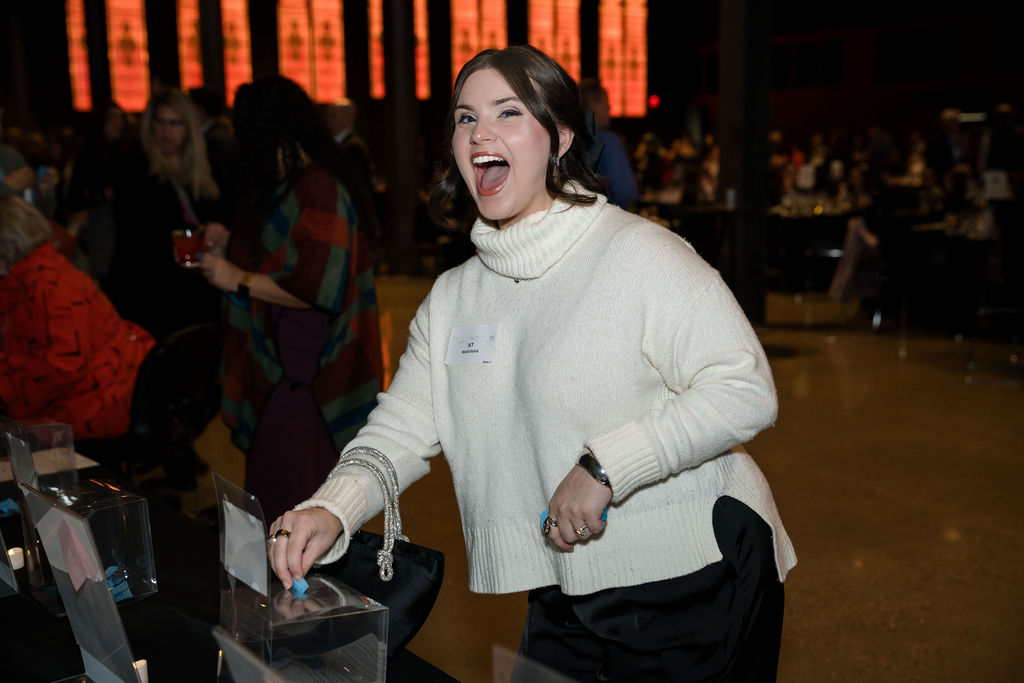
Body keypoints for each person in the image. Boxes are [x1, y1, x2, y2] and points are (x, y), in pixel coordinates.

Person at [268, 46, 796, 681]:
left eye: (508, 111)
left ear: (560, 136)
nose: (480, 132)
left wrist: (606, 465)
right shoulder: (454, 297)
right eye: (466, 118)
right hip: (561, 579)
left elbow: (745, 388)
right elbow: (402, 427)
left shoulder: (636, 254)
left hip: (691, 564)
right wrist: (334, 507)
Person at [197, 76, 383, 523]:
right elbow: (276, 261)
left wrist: (235, 276)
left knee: (295, 504)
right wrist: (230, 246)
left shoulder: (317, 187)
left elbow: (318, 288)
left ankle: (301, 593)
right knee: (275, 498)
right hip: (281, 370)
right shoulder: (286, 184)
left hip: (309, 380)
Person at [0, 195, 154, 439]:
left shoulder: (47, 287)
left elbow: (61, 369)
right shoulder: (38, 269)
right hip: (105, 386)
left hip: (95, 404)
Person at [107, 88, 222, 340]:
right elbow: (134, 230)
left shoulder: (205, 163)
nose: (166, 131)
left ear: (187, 127)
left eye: (174, 123)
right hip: (148, 285)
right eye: (160, 122)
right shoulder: (136, 164)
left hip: (196, 284)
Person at [322, 98, 385, 271]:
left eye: (332, 116)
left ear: (347, 118)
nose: (328, 121)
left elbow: (358, 189)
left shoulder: (352, 148)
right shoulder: (344, 145)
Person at [578, 78, 636, 209]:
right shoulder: (609, 141)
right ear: (594, 106)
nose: (610, 107)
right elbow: (625, 191)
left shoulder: (567, 139)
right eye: (606, 102)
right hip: (610, 220)